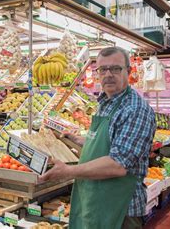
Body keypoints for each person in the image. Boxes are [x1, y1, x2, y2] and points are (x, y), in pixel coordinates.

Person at [40, 47, 156, 229]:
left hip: (120, 210)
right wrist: (78, 140)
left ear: (129, 71)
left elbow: (118, 165)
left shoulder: (135, 109)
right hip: (95, 200)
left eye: (115, 69)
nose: (108, 74)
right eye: (103, 69)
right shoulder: (105, 102)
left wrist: (68, 172)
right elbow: (110, 142)